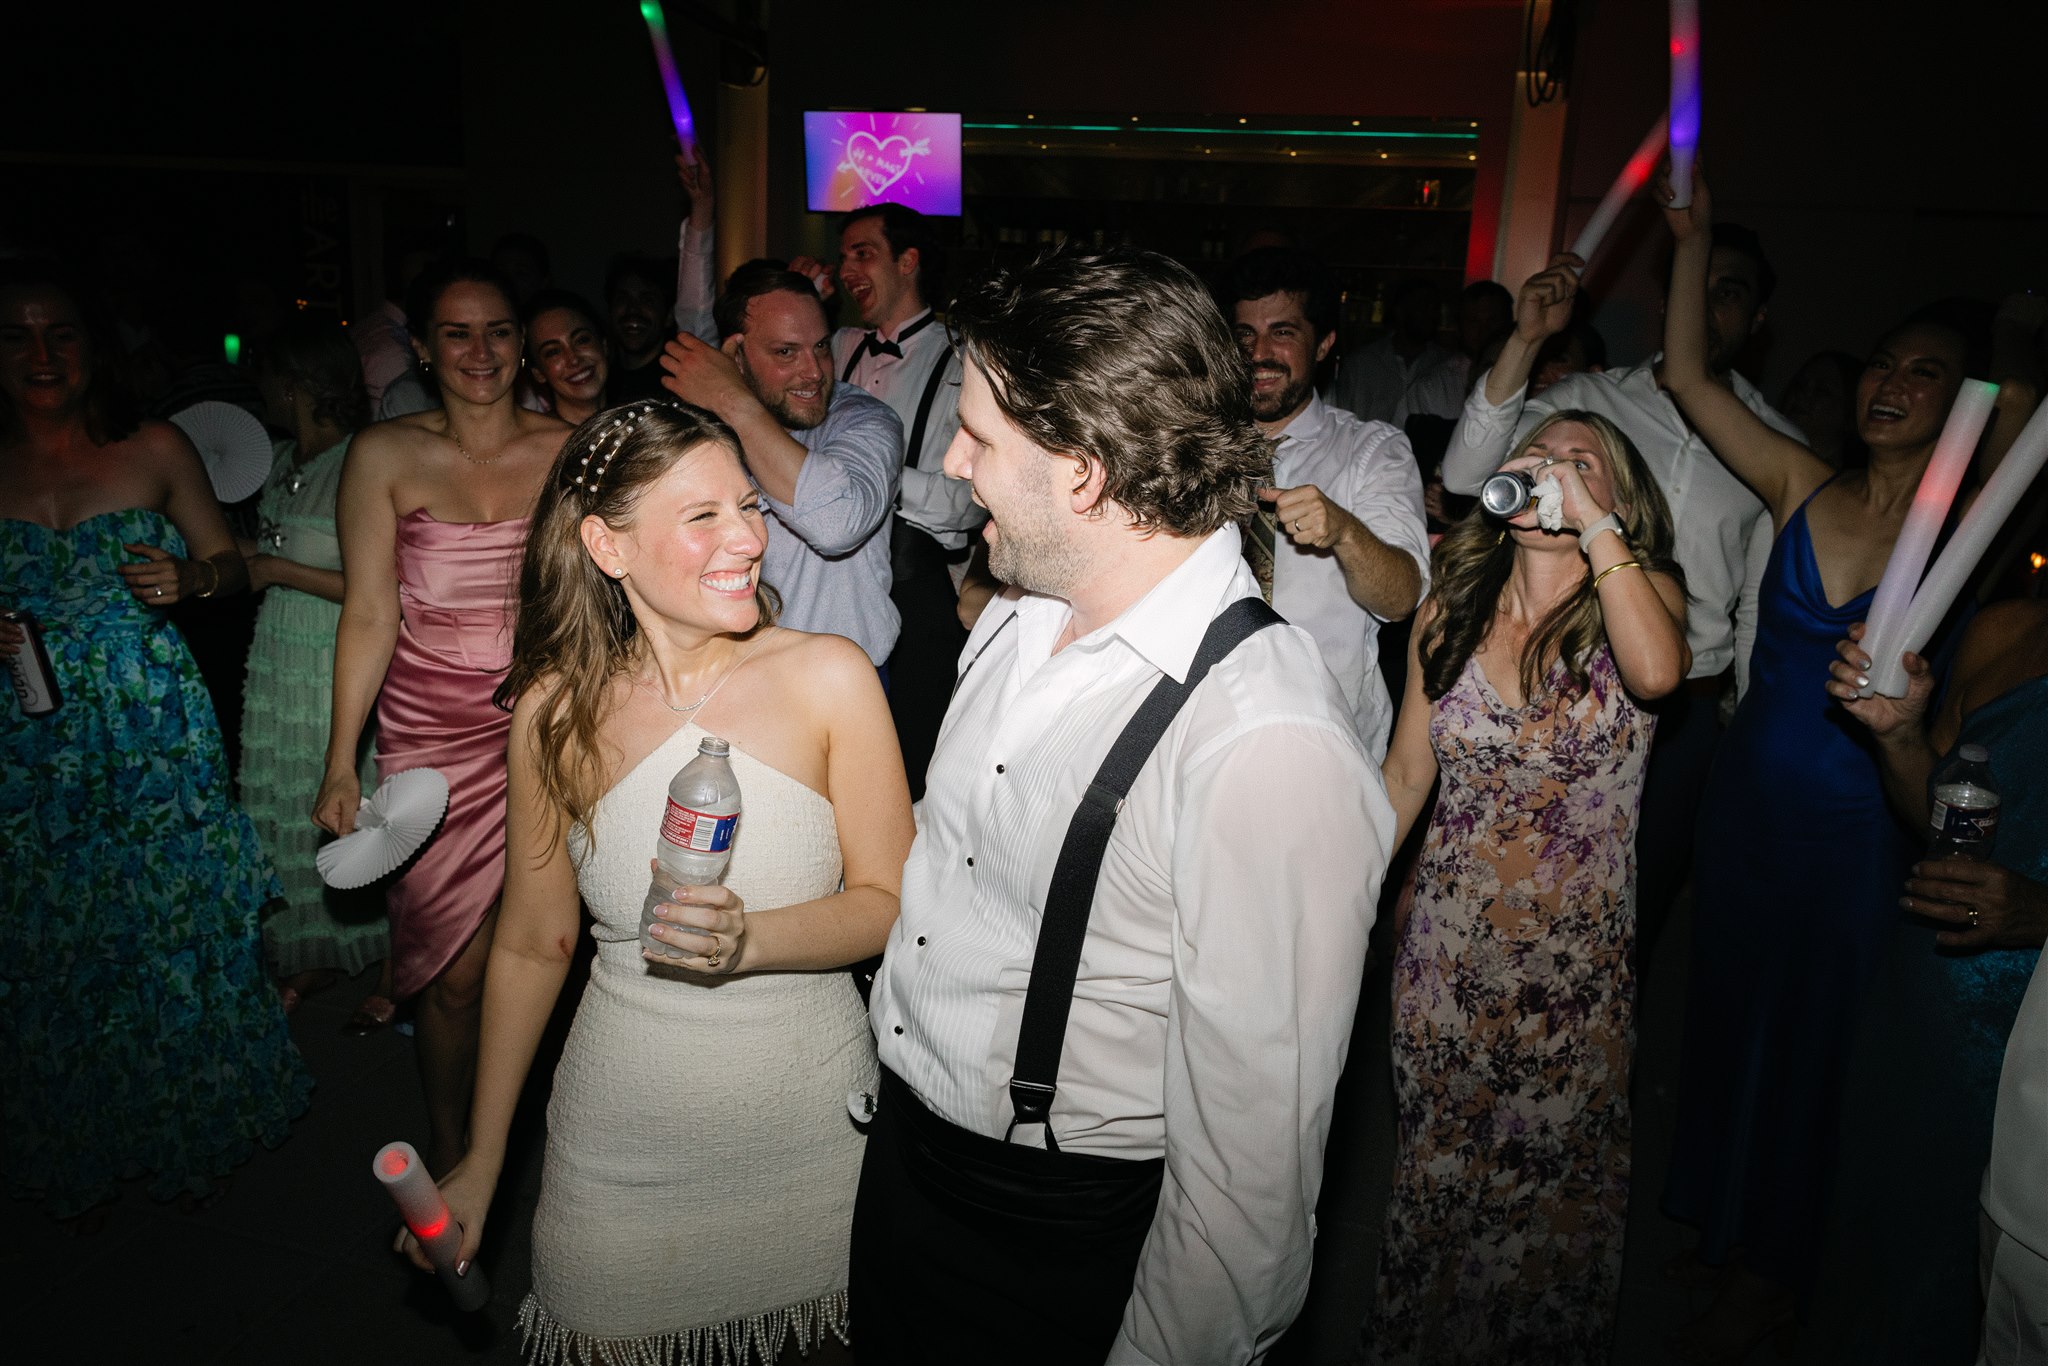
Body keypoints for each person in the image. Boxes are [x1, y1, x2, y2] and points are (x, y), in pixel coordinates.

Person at [853, 246, 1394, 1363]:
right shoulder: (1011, 608)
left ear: (1087, 468)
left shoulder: (1261, 740)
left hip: (1055, 1229)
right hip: (906, 1160)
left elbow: (1246, 1182)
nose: (952, 466)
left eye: (980, 439)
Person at [407, 401, 913, 1364]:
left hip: (809, 1138)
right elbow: (530, 941)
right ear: (607, 544)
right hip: (620, 1144)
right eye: (703, 516)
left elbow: (891, 902)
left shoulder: (829, 677)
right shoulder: (554, 711)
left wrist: (751, 938)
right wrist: (481, 1160)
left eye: (750, 505)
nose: (750, 538)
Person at [1653, 167, 1990, 1359]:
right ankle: (1718, 1221)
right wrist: (1690, 244)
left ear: (1969, 410)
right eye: (1882, 364)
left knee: (1815, 1048)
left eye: (1924, 373)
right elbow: (1689, 379)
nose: (1888, 384)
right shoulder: (1802, 480)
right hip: (1746, 803)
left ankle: (1778, 1266)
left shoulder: (1970, 543)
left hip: (1856, 831)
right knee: (1728, 1017)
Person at [1365, 410, 1689, 1365]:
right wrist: (1335, 911)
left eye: (1581, 460)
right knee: (1434, 1192)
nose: (1552, 467)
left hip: (1569, 981)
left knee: (1542, 1215)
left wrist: (1595, 525)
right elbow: (1402, 782)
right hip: (1443, 961)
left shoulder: (1642, 596)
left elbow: (1661, 673)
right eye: (1537, 452)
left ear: (1618, 500)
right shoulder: (1447, 611)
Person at [0, 259, 310, 1219]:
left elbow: (229, 565)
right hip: (25, 743)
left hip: (150, 732)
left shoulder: (154, 444)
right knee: (53, 937)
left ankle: (192, 1118)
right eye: (17, 335)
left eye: (62, 333)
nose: (43, 355)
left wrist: (192, 585)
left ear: (95, 349)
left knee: (166, 920)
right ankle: (82, 1129)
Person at [1441, 223, 1806, 1010]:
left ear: (1758, 320)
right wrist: (1524, 340)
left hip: (1684, 705)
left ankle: (1578, 1059)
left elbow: (1754, 601)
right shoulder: (1590, 402)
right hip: (1548, 666)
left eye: (1729, 291)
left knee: (1621, 914)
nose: (1706, 307)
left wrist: (1740, 728)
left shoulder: (1776, 442)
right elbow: (1469, 476)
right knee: (1505, 874)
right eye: (1693, 286)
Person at [315, 258, 568, 1174]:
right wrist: (343, 761)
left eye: (498, 330)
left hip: (549, 727)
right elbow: (371, 613)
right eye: (456, 332)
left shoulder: (564, 449)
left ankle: (524, 1131)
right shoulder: (383, 455)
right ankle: (454, 1145)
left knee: (545, 946)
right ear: (422, 347)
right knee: (454, 974)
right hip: (430, 745)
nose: (480, 350)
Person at [1804, 602, 2048, 1363]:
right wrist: (1902, 736)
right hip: (1929, 983)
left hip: (2030, 1034)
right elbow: (1935, 814)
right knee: (1882, 1218)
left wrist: (2043, 911)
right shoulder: (2008, 629)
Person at [799, 204, 984, 798]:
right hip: (832, 591)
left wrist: (865, 479)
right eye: (843, 255)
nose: (847, 267)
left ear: (908, 262)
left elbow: (965, 503)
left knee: (901, 778)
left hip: (921, 597)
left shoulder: (959, 356)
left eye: (863, 253)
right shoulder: (834, 345)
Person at [1226, 246, 1431, 759]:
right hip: (1204, 729)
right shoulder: (1192, 448)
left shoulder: (1373, 450)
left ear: (1324, 346)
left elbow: (1402, 596)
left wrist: (1344, 532)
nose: (1258, 353)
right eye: (1244, 334)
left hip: (1327, 739)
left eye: (1283, 332)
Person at [240, 315, 389, 1015]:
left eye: (270, 375)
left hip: (336, 644)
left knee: (340, 788)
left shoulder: (360, 458)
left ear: (299, 380)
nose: (261, 389)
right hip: (279, 645)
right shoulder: (275, 459)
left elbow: (379, 586)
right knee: (282, 793)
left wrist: (276, 567)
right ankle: (307, 946)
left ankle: (367, 941)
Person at [660, 264, 902, 669]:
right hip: (727, 678)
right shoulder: (701, 436)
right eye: (786, 352)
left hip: (840, 688)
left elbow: (837, 522)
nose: (813, 372)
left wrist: (730, 399)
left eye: (822, 347)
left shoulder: (865, 419)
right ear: (735, 357)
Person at [1333, 277, 1468, 429]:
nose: (1431, 315)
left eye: (1435, 308)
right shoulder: (1362, 364)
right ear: (1400, 310)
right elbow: (1342, 423)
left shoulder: (1446, 366)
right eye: (1423, 306)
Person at [522, 289, 610, 428]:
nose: (573, 359)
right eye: (553, 352)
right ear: (538, 373)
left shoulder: (642, 424)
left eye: (582, 340)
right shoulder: (535, 444)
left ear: (604, 344)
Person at [605, 254, 676, 404]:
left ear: (668, 316)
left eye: (647, 300)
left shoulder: (679, 382)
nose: (633, 309)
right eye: (623, 299)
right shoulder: (599, 381)